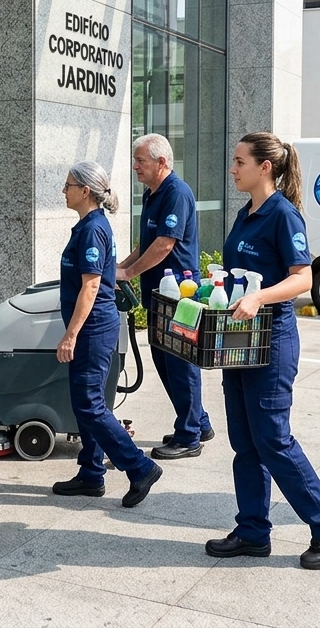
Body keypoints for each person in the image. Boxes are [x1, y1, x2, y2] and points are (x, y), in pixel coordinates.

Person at [205, 132, 320, 571]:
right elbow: (241, 272)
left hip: (273, 341)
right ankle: (253, 531)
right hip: (240, 340)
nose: (232, 169)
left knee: (273, 438)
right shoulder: (246, 214)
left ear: (264, 167)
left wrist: (259, 297)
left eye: (239, 161)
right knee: (245, 441)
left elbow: (303, 279)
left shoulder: (284, 216)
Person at [51, 161, 164, 507]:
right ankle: (90, 473)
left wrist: (70, 335)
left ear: (85, 191)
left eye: (68, 185)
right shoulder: (89, 226)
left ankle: (140, 467)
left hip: (92, 328)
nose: (64, 190)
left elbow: (91, 286)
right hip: (92, 326)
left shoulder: (92, 230)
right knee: (87, 403)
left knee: (89, 404)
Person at [116, 134, 215, 460]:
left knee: (180, 363)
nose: (135, 166)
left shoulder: (176, 194)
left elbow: (165, 245)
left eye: (140, 160)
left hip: (180, 297)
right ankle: (198, 423)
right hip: (160, 294)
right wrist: (120, 267)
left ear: (161, 162)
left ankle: (188, 437)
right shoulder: (152, 194)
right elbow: (147, 242)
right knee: (164, 361)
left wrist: (128, 274)